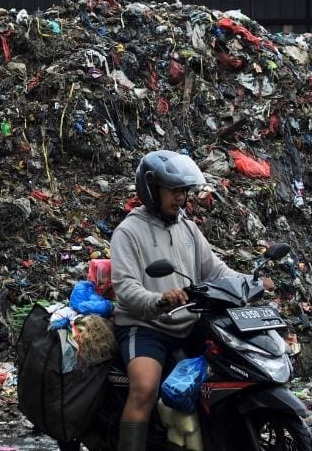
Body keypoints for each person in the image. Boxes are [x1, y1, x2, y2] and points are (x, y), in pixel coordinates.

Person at [109, 150, 273, 451]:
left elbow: (215, 270)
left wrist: (250, 283)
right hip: (145, 326)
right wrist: (158, 299)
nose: (180, 198)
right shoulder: (128, 232)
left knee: (232, 371)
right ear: (151, 189)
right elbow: (125, 287)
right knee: (144, 390)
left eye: (183, 191)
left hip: (190, 321)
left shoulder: (187, 228)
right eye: (173, 190)